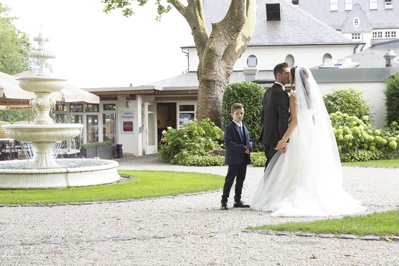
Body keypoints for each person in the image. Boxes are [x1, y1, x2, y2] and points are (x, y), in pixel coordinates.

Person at [251, 66, 366, 216]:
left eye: (290, 76)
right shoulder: (311, 96)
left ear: (294, 78)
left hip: (299, 135)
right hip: (312, 134)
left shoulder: (293, 96)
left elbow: (295, 122)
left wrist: (283, 139)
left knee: (292, 166)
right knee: (312, 167)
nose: (288, 78)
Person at [221, 103, 253, 210]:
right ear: (232, 114)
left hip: (243, 159)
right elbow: (229, 143)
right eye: (237, 113)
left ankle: (237, 200)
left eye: (241, 113)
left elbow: (248, 140)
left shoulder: (244, 127)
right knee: (230, 180)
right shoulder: (229, 128)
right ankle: (224, 201)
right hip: (234, 158)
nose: (240, 115)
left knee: (240, 180)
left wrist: (249, 147)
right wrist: (243, 148)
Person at [259, 62, 291, 171]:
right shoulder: (282, 94)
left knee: (269, 169)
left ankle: (265, 188)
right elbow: (283, 119)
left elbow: (263, 117)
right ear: (278, 75)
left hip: (267, 137)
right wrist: (283, 140)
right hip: (277, 140)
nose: (289, 76)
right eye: (286, 73)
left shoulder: (267, 92)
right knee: (276, 171)